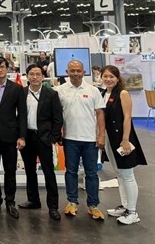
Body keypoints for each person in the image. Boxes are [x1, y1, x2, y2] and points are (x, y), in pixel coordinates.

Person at [55, 60, 106, 220]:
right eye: (72, 70)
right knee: (71, 172)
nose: (75, 73)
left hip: (90, 140)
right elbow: (56, 114)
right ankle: (72, 202)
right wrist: (58, 134)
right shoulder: (59, 91)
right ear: (67, 72)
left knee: (91, 173)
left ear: (84, 72)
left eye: (78, 70)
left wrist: (101, 135)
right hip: (69, 139)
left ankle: (93, 205)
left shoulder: (93, 90)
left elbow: (100, 113)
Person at [100, 65, 147, 225]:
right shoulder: (103, 94)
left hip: (122, 139)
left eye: (111, 76)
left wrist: (125, 139)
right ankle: (126, 206)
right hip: (109, 139)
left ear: (117, 78)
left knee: (127, 175)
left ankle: (132, 212)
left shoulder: (123, 93)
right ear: (101, 77)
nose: (108, 79)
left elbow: (127, 118)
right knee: (119, 174)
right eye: (105, 76)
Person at [0, 56, 27, 218]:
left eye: (2, 66)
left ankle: (10, 201)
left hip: (10, 136)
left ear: (7, 68)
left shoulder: (16, 88)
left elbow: (22, 114)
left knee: (10, 171)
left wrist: (22, 136)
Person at [19, 64, 63, 221]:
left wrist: (53, 137)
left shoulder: (51, 94)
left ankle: (53, 206)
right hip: (27, 137)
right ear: (27, 76)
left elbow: (58, 118)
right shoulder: (22, 93)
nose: (35, 77)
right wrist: (20, 136)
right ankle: (33, 200)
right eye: (32, 74)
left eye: (38, 74)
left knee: (48, 171)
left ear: (43, 77)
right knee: (30, 170)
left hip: (44, 138)